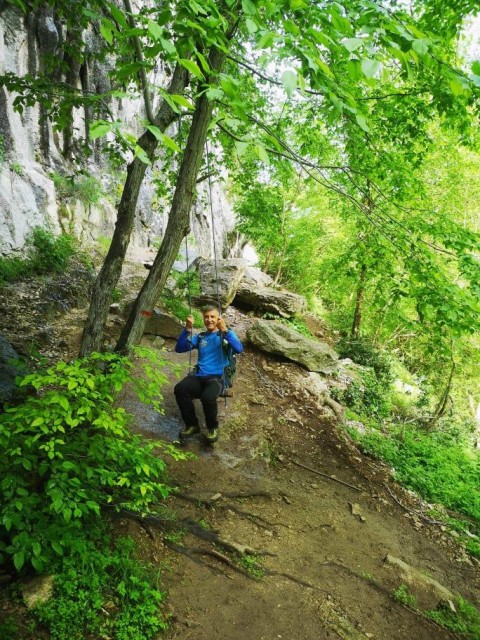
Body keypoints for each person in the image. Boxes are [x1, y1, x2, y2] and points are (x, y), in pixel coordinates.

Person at [174, 305, 243, 443]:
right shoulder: (200, 337)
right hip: (199, 376)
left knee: (208, 397)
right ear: (203, 319)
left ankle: (212, 428)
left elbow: (239, 349)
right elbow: (179, 348)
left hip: (218, 378)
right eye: (206, 317)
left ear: (219, 318)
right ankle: (192, 425)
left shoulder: (226, 335)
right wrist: (187, 329)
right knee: (180, 389)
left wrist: (225, 330)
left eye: (213, 317)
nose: (209, 320)